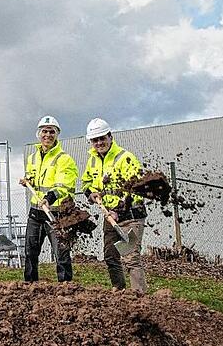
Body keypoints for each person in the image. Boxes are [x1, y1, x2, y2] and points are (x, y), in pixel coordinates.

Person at [82, 118, 147, 292]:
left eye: (102, 138)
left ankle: (138, 298)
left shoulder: (125, 158)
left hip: (131, 214)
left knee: (131, 258)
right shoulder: (93, 160)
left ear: (110, 136)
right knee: (111, 256)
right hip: (109, 215)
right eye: (95, 140)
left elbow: (135, 189)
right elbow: (86, 182)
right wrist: (91, 193)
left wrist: (119, 211)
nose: (99, 143)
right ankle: (119, 291)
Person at [19, 115, 78, 282]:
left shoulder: (64, 159)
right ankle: (30, 285)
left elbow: (64, 184)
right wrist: (27, 181)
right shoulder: (32, 158)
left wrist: (50, 197)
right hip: (36, 213)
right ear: (39, 134)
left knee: (61, 253)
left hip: (56, 213)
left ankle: (66, 287)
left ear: (57, 134)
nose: (47, 135)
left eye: (51, 132)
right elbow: (34, 177)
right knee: (30, 251)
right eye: (44, 131)